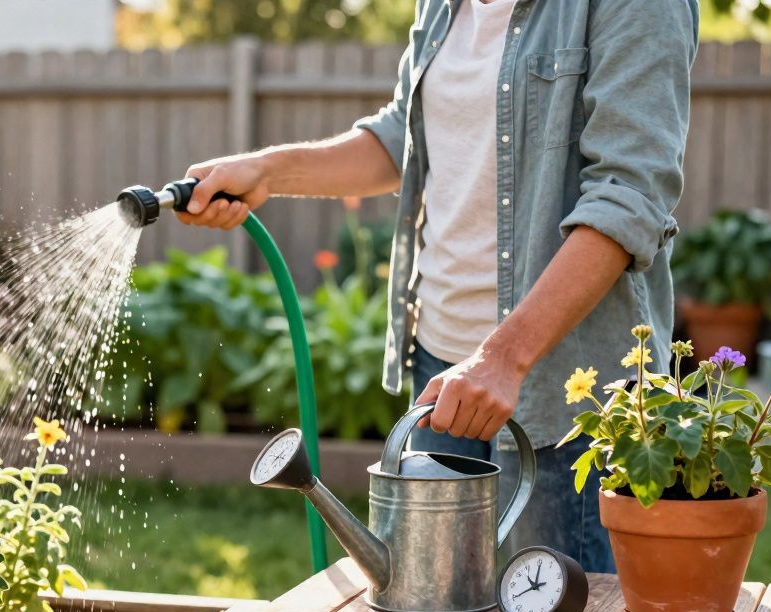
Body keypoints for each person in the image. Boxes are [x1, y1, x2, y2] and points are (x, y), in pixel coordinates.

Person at [178, 0, 699, 573]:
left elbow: (628, 198)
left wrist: (503, 359)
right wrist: (268, 170)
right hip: (440, 368)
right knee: (430, 606)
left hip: (564, 390)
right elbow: (405, 134)